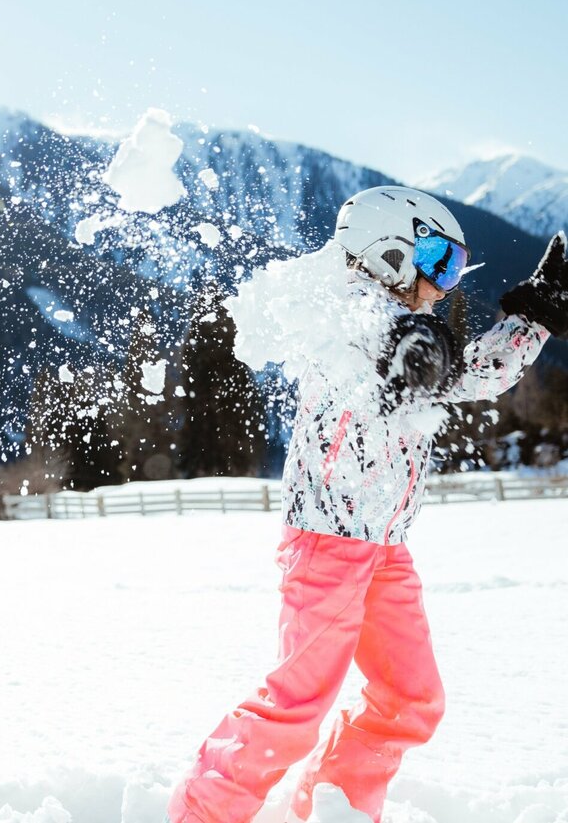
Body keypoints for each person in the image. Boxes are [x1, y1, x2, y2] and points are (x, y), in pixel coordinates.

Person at [167, 186, 568, 823]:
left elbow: (466, 373)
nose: (446, 283)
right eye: (438, 262)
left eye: (456, 267)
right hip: (327, 547)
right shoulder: (337, 320)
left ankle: (334, 808)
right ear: (389, 253)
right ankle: (201, 814)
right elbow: (367, 357)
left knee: (412, 700)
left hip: (385, 548)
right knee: (297, 707)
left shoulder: (408, 334)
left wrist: (535, 318)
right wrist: (405, 351)